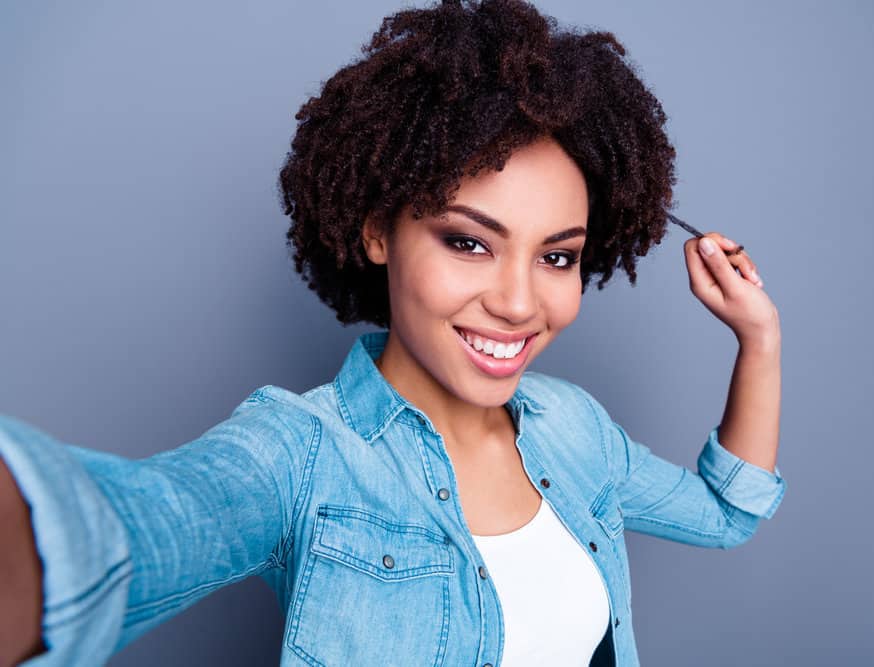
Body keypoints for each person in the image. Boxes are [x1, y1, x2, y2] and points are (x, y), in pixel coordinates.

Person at [0, 1, 786, 665]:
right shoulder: (303, 451)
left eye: (556, 256)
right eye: (468, 241)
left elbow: (726, 513)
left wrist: (760, 339)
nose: (517, 302)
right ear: (380, 232)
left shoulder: (576, 431)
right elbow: (135, 524)